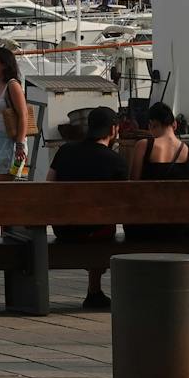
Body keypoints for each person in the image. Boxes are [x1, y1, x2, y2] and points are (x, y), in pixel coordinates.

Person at [47, 105, 129, 309]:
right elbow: (124, 203)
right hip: (96, 231)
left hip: (64, 229)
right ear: (112, 130)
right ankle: (93, 291)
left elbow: (47, 188)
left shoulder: (65, 151)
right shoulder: (117, 161)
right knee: (103, 224)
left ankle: (94, 292)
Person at [0, 46, 29, 181]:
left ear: (3, 65)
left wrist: (19, 145)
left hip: (10, 142)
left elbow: (23, 115)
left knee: (0, 186)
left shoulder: (12, 85)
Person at [129, 102, 189, 181]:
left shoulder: (143, 146)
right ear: (175, 124)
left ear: (150, 125)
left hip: (151, 193)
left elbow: (133, 184)